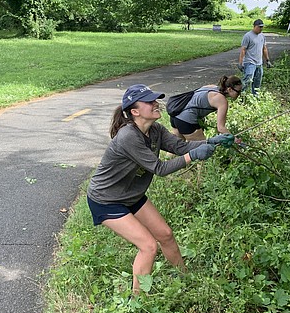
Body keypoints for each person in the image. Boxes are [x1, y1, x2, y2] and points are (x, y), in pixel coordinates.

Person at [86, 84, 234, 294]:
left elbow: (180, 147)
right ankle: (136, 303)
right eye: (149, 101)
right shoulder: (129, 136)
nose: (156, 104)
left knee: (165, 234)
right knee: (148, 246)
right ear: (135, 111)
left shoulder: (155, 130)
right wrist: (194, 156)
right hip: (106, 199)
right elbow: (160, 168)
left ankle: (185, 280)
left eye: (155, 100)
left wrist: (212, 142)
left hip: (131, 194)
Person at [170, 75, 243, 141]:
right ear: (229, 89)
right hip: (186, 120)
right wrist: (235, 140)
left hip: (176, 115)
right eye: (238, 91)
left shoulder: (212, 87)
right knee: (202, 149)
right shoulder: (222, 101)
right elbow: (220, 128)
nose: (239, 94)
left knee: (176, 146)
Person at [238, 18, 272, 95]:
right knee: (247, 80)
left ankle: (255, 96)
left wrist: (267, 60)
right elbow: (243, 50)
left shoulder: (262, 36)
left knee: (257, 82)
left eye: (262, 27)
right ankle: (241, 96)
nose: (261, 29)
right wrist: (240, 63)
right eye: (259, 27)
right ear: (254, 26)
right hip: (250, 62)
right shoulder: (248, 36)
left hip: (259, 63)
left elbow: (264, 49)